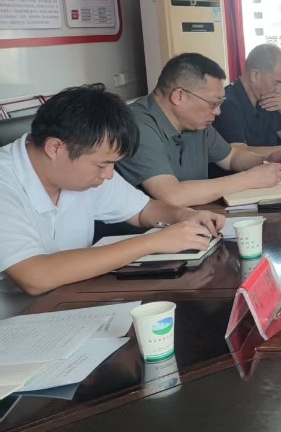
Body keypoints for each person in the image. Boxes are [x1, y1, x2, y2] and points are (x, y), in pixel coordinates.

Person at [0, 86, 224, 312]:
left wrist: (183, 215)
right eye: (102, 165)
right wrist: (152, 242)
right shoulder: (5, 182)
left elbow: (142, 210)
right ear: (55, 148)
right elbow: (35, 276)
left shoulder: (84, 170)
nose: (109, 175)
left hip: (74, 301)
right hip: (18, 320)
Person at [117, 53, 281, 207]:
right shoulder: (138, 126)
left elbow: (231, 157)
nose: (218, 112)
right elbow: (172, 196)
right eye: (213, 103)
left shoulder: (196, 122)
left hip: (195, 218)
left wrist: (265, 160)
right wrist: (250, 179)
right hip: (150, 229)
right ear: (179, 96)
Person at [213, 44, 281, 150]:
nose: (279, 91)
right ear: (255, 75)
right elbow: (240, 154)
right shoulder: (228, 104)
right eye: (276, 83)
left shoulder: (267, 99)